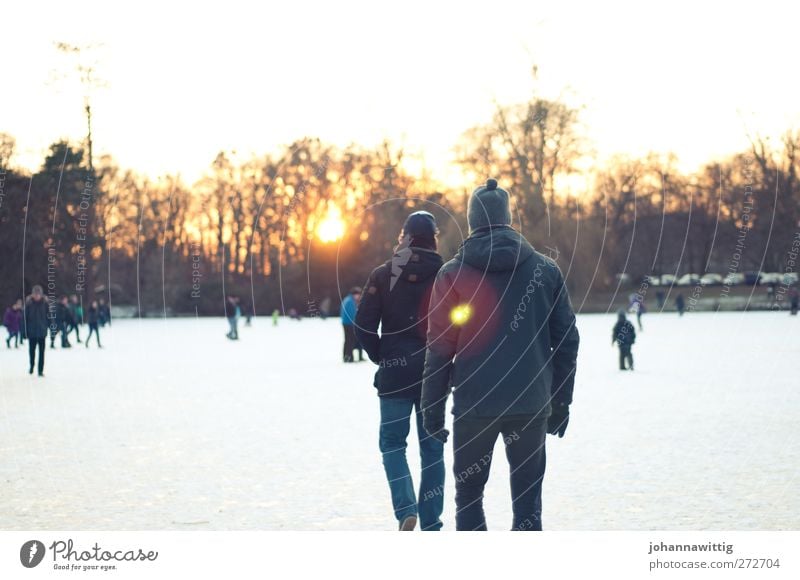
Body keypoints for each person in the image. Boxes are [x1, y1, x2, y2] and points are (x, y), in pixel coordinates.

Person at [421, 178, 580, 531]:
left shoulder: (452, 274)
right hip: (530, 405)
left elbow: (439, 351)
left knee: (469, 500)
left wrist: (432, 413)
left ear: (472, 221)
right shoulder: (545, 270)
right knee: (528, 506)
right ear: (508, 218)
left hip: (475, 407)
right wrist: (560, 402)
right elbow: (568, 341)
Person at [355, 211, 446, 531]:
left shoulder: (383, 274)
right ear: (433, 238)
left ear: (406, 237)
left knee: (393, 443)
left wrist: (384, 356)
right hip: (433, 374)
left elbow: (363, 325)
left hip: (394, 376)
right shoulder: (446, 273)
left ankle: (406, 508)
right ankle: (432, 521)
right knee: (432, 448)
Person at [23, 285, 49, 376]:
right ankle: (32, 365)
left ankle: (40, 370)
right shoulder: (29, 304)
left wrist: (52, 329)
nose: (37, 296)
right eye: (35, 294)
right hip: (32, 332)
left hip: (42, 332)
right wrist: (24, 332)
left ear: (41, 295)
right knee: (31, 351)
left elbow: (49, 317)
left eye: (39, 294)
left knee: (42, 352)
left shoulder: (45, 303)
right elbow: (24, 319)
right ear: (33, 294)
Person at [340, 287, 362, 362]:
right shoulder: (350, 301)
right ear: (354, 294)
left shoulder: (348, 299)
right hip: (349, 323)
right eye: (358, 294)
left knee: (348, 340)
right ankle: (349, 358)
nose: (359, 296)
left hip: (346, 323)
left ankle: (347, 357)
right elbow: (352, 314)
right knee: (350, 340)